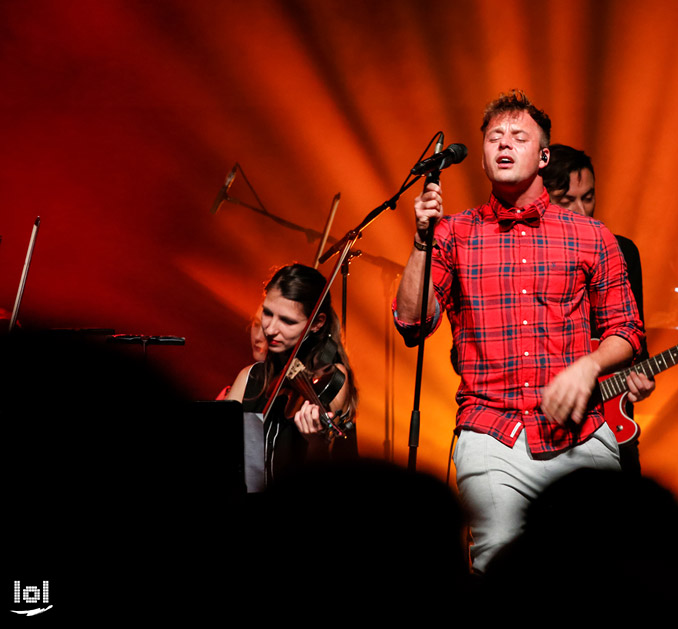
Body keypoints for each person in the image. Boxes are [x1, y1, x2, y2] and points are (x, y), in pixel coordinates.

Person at [393, 89, 654, 571]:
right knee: (502, 567)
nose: (505, 144)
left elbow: (627, 330)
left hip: (581, 434)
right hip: (492, 432)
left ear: (543, 155)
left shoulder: (592, 236)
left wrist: (589, 367)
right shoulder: (454, 233)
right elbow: (412, 322)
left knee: (607, 570)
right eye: (495, 137)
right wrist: (420, 241)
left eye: (518, 135)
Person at [541, 144, 651, 475]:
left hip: (610, 424)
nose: (582, 210)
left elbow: (637, 348)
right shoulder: (523, 258)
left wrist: (642, 380)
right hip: (541, 431)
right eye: (567, 200)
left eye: (588, 197)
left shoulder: (620, 251)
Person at [226, 263, 358, 478]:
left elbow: (329, 474)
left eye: (287, 321)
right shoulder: (250, 376)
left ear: (317, 323)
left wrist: (318, 442)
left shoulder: (331, 377)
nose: (270, 329)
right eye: (268, 314)